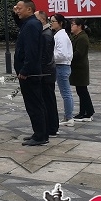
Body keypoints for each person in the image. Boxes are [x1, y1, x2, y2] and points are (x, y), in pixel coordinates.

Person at [13, 0, 47, 146]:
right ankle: (39, 132)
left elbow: (31, 51)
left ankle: (40, 136)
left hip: (30, 73)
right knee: (33, 104)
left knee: (34, 105)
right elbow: (18, 22)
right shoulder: (28, 23)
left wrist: (25, 70)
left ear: (29, 10)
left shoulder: (32, 25)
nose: (17, 10)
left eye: (20, 8)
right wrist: (14, 12)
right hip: (29, 72)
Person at [35, 10, 60, 138]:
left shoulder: (46, 35)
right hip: (47, 72)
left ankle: (52, 127)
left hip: (46, 73)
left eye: (36, 18)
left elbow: (45, 57)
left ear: (42, 20)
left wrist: (40, 72)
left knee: (49, 101)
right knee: (48, 100)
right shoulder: (45, 33)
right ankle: (51, 126)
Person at [51, 13, 75, 126]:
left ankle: (69, 117)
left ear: (60, 23)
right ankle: (68, 116)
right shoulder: (59, 35)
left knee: (66, 93)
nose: (51, 23)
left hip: (62, 66)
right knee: (65, 92)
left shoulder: (61, 36)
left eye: (53, 21)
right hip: (61, 66)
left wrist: (50, 57)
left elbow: (62, 54)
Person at [70, 18, 94, 121]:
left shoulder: (82, 38)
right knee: (81, 90)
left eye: (73, 25)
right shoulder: (77, 37)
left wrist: (67, 56)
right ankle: (85, 111)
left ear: (79, 26)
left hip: (80, 68)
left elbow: (78, 54)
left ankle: (87, 112)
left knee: (82, 90)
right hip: (77, 68)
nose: (71, 26)